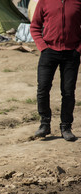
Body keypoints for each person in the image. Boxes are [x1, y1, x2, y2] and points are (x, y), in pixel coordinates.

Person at [30, 0, 81, 141]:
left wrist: (78, 50)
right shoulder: (44, 1)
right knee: (43, 88)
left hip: (72, 54)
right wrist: (43, 47)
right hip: (48, 52)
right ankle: (44, 124)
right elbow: (35, 26)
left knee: (68, 91)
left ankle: (66, 127)